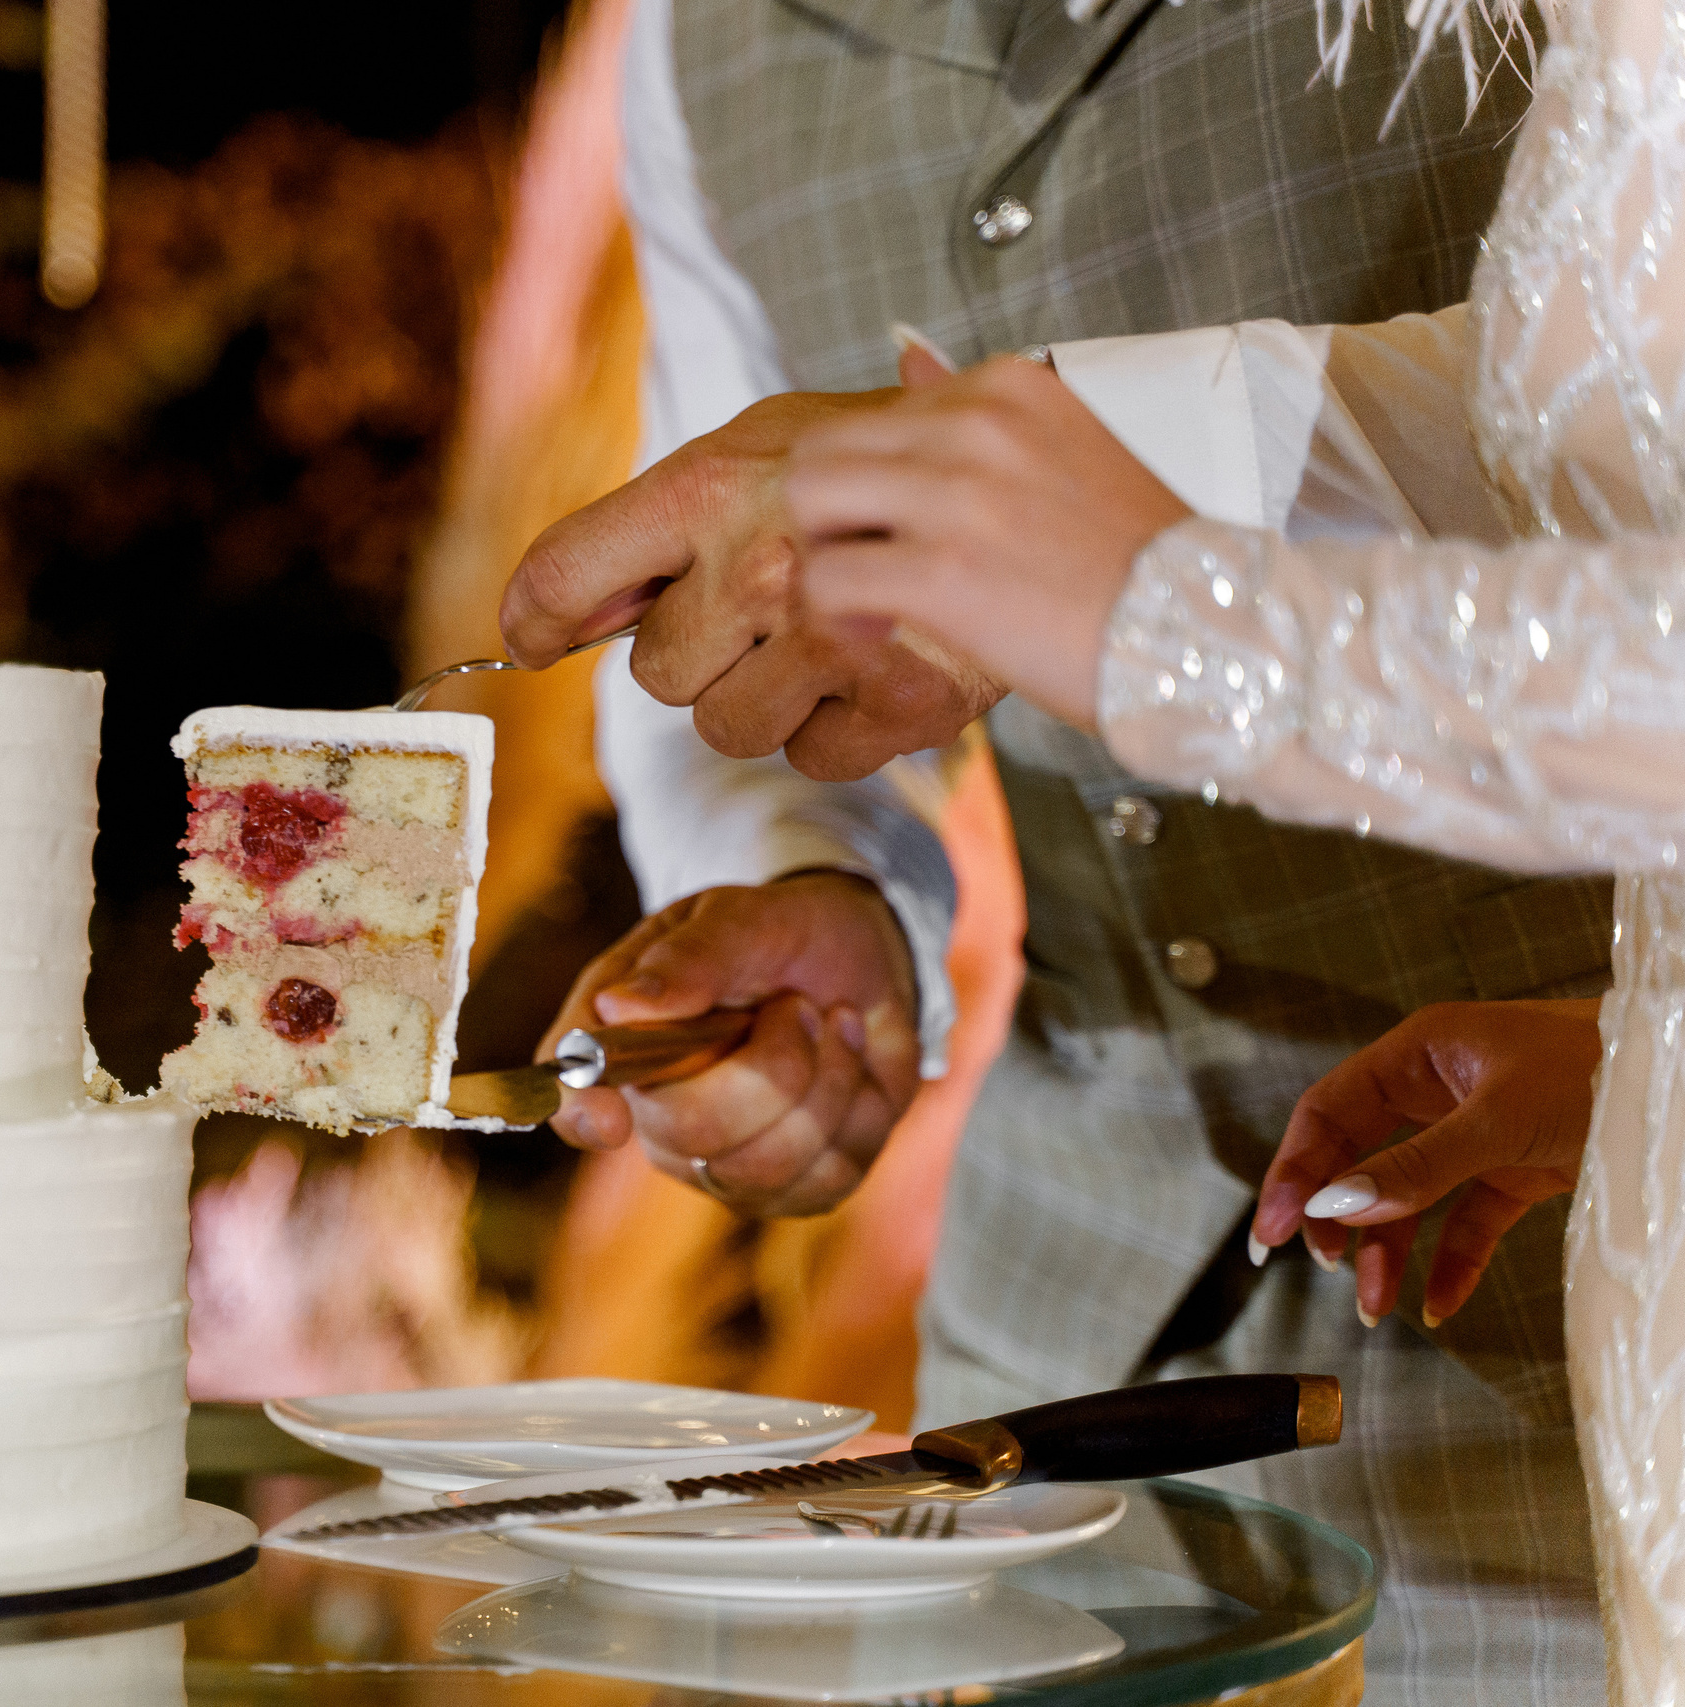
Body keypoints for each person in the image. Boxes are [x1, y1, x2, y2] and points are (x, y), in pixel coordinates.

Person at [507, 0, 1685, 1688]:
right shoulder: (696, 47)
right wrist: (815, 879)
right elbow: (729, 579)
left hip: (1547, 1286)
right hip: (1047, 1342)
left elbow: (1601, 445)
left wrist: (1116, 575)